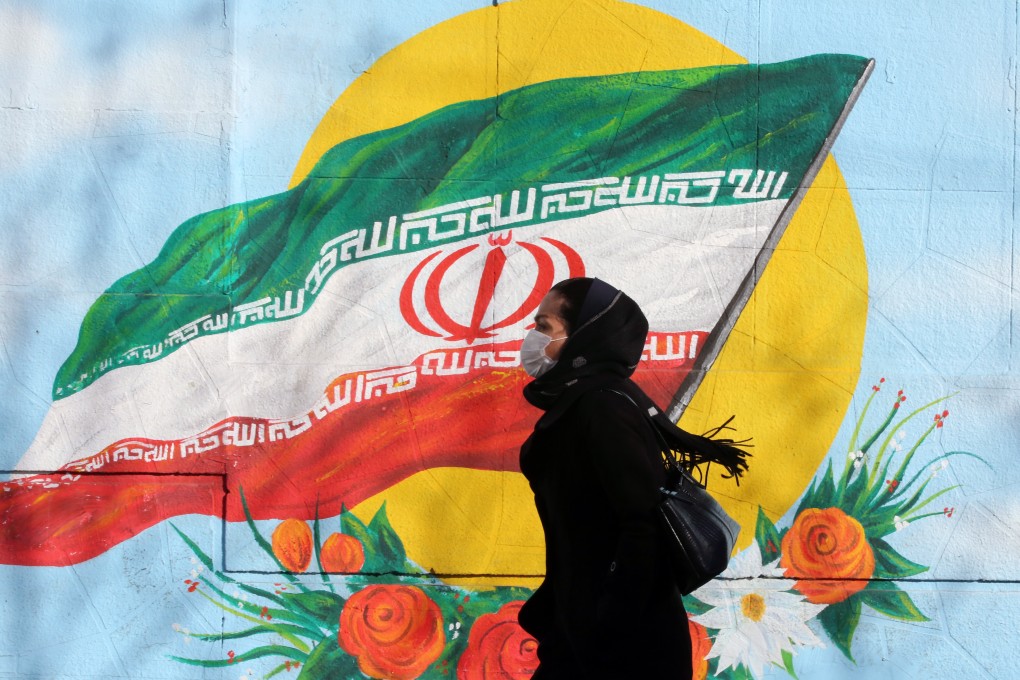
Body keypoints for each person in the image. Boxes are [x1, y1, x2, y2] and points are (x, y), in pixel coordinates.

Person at [516, 277, 749, 679]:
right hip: (582, 633)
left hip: (625, 648)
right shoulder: (583, 402)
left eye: (545, 327)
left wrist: (609, 623)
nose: (533, 339)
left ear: (585, 335)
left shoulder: (601, 408)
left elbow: (643, 524)